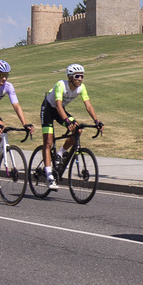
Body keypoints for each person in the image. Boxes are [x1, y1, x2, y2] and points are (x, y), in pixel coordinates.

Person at [39, 63, 103, 191]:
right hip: (48, 109)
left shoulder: (81, 88)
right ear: (70, 78)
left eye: (82, 76)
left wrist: (96, 121)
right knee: (48, 142)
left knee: (78, 130)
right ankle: (49, 176)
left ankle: (60, 153)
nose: (80, 79)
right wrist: (67, 120)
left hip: (60, 111)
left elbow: (88, 105)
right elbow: (57, 105)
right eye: (77, 76)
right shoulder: (61, 85)